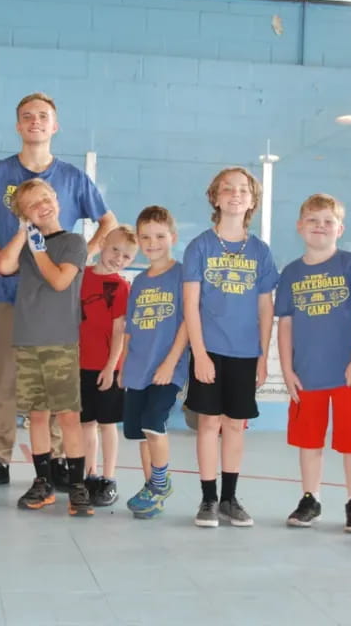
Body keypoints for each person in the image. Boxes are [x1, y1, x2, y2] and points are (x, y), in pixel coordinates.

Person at [0, 92, 117, 491]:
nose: (35, 122)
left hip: (55, 303)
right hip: (9, 293)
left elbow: (108, 221)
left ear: (55, 126)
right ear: (18, 126)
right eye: (27, 116)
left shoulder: (74, 178)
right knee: (3, 379)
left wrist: (81, 257)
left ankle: (59, 461)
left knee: (55, 384)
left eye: (43, 116)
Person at [184, 167, 278, 528]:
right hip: (210, 350)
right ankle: (208, 499)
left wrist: (262, 355)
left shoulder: (260, 251)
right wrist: (201, 354)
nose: (235, 195)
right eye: (228, 189)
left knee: (234, 426)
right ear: (215, 197)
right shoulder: (200, 247)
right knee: (208, 423)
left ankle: (229, 498)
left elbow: (265, 306)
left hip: (244, 353)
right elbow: (190, 304)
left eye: (243, 190)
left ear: (252, 200)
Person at [275, 194, 351, 532]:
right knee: (309, 440)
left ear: (340, 229)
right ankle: (310, 498)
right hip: (307, 373)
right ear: (300, 226)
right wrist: (287, 370)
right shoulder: (290, 273)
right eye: (313, 220)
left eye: (328, 221)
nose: (320, 226)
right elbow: (284, 324)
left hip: (350, 374)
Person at [0, 178, 92, 515]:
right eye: (32, 205)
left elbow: (60, 280)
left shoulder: (73, 242)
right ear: (24, 214)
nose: (43, 205)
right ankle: (43, 481)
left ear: (58, 199)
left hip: (60, 341)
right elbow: (4, 266)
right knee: (37, 415)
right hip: (27, 339)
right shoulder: (27, 242)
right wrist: (24, 234)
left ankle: (78, 484)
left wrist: (38, 248)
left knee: (67, 416)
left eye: (46, 198)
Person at [121, 207, 190, 519]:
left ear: (172, 238)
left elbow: (188, 322)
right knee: (141, 433)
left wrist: (171, 363)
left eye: (160, 236)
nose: (153, 243)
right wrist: (123, 365)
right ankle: (152, 488)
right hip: (138, 369)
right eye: (146, 237)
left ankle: (161, 483)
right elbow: (131, 329)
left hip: (167, 368)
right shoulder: (138, 282)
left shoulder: (182, 274)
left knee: (154, 422)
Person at [78, 224, 138, 506]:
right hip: (80, 364)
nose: (119, 258)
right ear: (102, 243)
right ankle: (89, 475)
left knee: (107, 424)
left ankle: (108, 477)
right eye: (115, 249)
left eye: (127, 256)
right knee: (85, 422)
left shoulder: (121, 287)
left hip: (107, 368)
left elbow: (118, 331)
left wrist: (110, 367)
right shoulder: (82, 276)